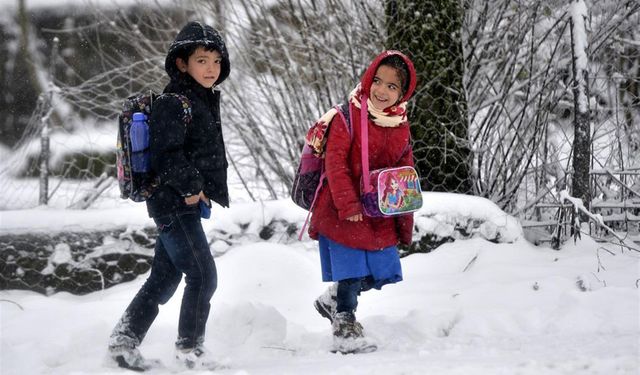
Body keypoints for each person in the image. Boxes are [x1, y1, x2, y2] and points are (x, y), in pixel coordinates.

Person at [108, 21, 231, 371]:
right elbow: (167, 155)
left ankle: (123, 340)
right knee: (203, 275)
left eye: (216, 61)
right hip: (173, 203)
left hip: (181, 204)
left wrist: (202, 191)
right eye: (202, 60)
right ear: (182, 63)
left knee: (165, 276)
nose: (211, 69)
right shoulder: (174, 102)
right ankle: (190, 350)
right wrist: (193, 188)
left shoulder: (199, 100)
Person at [308, 50, 417, 354]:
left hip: (379, 211)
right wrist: (349, 204)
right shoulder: (348, 116)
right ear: (369, 78)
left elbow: (403, 172)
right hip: (344, 208)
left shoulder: (400, 124)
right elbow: (336, 162)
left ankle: (333, 300)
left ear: (402, 92)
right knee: (351, 269)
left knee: (382, 271)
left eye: (392, 86)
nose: (382, 90)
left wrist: (404, 217)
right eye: (378, 81)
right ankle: (344, 324)